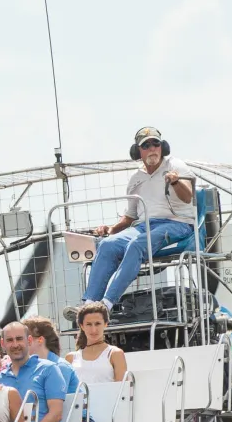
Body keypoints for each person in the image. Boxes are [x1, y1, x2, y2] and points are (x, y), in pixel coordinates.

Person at [74, 126, 199, 317]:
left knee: (136, 245)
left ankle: (106, 305)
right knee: (107, 245)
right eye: (146, 145)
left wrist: (175, 181)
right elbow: (130, 217)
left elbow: (188, 197)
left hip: (177, 223)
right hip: (144, 226)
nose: (152, 149)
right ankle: (89, 305)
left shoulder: (176, 166)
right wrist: (110, 229)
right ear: (137, 151)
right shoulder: (136, 178)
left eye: (155, 144)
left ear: (162, 147)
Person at [12, 317, 74, 422]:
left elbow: (55, 409)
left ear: (39, 340)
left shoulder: (59, 366)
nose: (18, 344)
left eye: (23, 338)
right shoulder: (24, 369)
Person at [66, 302, 129, 386]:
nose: (94, 330)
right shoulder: (70, 358)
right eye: (88, 324)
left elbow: (123, 391)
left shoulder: (115, 354)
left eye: (97, 324)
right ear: (82, 326)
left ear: (105, 324)